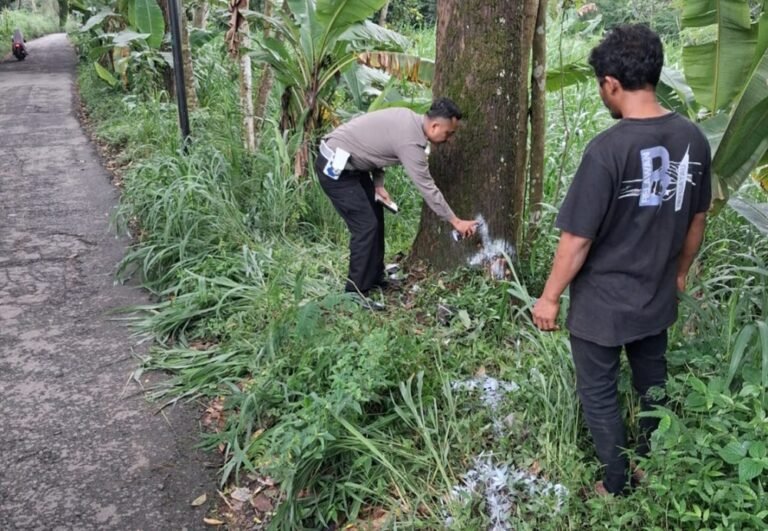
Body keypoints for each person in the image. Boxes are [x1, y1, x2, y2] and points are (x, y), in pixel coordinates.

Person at [531, 24, 711, 496]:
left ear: (611, 83)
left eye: (600, 85)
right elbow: (697, 219)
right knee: (653, 382)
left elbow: (576, 240)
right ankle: (652, 465)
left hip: (602, 304)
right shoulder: (693, 139)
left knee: (599, 391)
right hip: (656, 293)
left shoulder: (607, 150)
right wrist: (679, 273)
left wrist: (549, 297)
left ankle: (616, 484)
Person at [314, 98, 478, 306]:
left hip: (353, 166)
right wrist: (456, 221)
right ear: (435, 126)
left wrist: (378, 185)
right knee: (366, 226)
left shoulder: (407, 118)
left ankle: (374, 278)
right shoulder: (411, 143)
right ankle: (355, 293)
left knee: (375, 219)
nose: (449, 139)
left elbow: (375, 146)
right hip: (335, 169)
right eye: (448, 133)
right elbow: (428, 188)